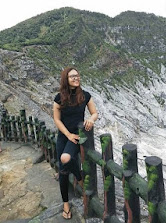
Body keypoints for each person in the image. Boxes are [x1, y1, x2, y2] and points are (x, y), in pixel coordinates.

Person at [53, 67, 98, 219]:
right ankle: (66, 204)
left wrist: (90, 120)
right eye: (72, 76)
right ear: (66, 79)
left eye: (77, 75)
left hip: (77, 136)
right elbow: (57, 119)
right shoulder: (59, 98)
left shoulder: (85, 96)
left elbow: (94, 113)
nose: (76, 78)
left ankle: (79, 177)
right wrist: (67, 134)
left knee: (65, 159)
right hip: (64, 136)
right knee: (63, 171)